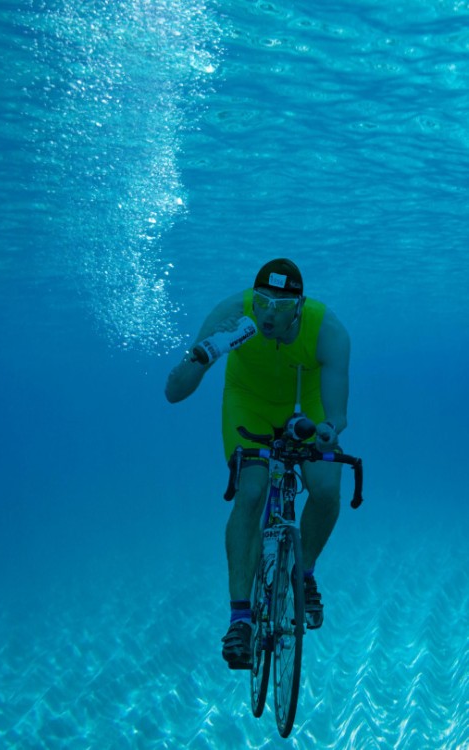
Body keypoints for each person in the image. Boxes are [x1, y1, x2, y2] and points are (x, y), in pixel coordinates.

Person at [165, 258, 350, 669]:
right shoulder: (232, 313)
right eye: (263, 301)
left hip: (307, 407)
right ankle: (240, 619)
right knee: (250, 491)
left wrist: (328, 432)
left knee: (325, 489)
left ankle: (303, 574)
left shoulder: (329, 331)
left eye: (282, 306)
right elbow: (172, 393)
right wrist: (202, 354)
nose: (269, 314)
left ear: (300, 306)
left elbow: (337, 414)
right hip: (247, 403)